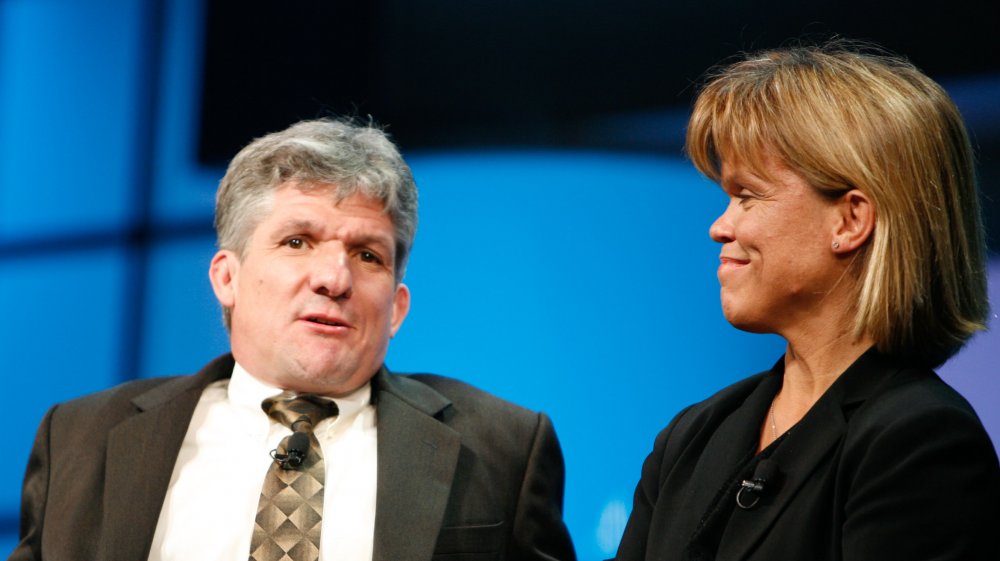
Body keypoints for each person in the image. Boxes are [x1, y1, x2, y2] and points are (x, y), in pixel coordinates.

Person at [11, 119, 576, 561]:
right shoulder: (81, 439)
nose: (334, 278)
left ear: (397, 306)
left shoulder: (503, 449)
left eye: (367, 255)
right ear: (227, 278)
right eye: (298, 242)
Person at [614, 43, 1000, 561]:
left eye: (747, 195)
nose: (719, 226)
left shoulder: (919, 441)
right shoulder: (692, 438)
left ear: (849, 221)